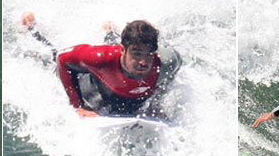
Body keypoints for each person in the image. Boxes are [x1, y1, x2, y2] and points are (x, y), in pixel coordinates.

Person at [22, 12, 181, 118]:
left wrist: (156, 103)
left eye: (149, 54)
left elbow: (175, 66)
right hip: (94, 86)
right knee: (51, 57)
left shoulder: (166, 61)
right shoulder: (100, 58)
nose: (144, 62)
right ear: (123, 50)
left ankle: (109, 31)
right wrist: (78, 106)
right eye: (137, 54)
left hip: (124, 92)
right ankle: (31, 28)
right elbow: (63, 58)